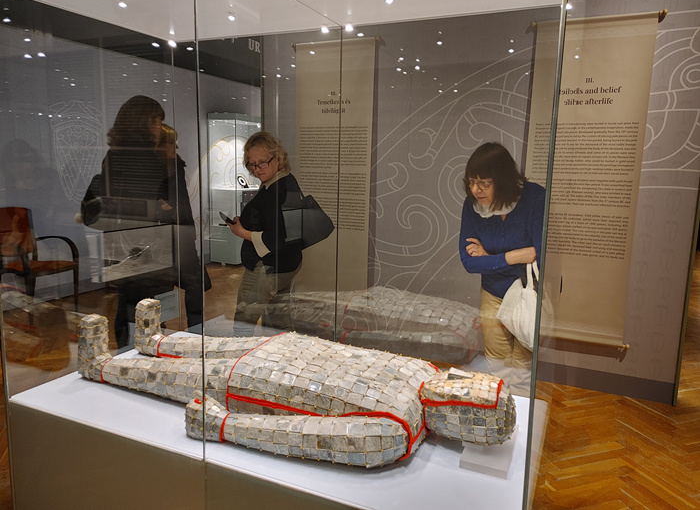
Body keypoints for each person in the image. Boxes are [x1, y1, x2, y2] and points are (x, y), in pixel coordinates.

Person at [78, 297, 517, 468]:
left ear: (461, 419)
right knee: (204, 345)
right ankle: (155, 341)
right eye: (473, 383)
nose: (458, 385)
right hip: (283, 352)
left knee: (173, 376)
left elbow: (304, 433)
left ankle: (100, 366)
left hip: (254, 381)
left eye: (468, 398)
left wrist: (224, 425)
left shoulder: (395, 430)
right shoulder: (427, 373)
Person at [81, 95, 172, 349]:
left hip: (123, 244)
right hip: (144, 245)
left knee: (128, 304)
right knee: (149, 309)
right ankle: (143, 354)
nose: (159, 128)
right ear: (143, 123)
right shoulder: (145, 158)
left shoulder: (115, 154)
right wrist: (162, 206)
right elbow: (142, 205)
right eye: (156, 122)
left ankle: (126, 353)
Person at [458, 142, 545, 396]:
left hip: (527, 294)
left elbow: (541, 257)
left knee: (522, 368)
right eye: (471, 182)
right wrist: (515, 256)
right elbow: (469, 262)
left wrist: (489, 257)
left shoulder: (534, 198)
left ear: (503, 180)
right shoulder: (472, 205)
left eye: (484, 183)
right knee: (497, 367)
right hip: (493, 293)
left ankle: (519, 416)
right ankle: (501, 415)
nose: (475, 190)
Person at [225, 131, 303, 336]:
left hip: (268, 266)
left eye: (262, 163)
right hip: (286, 263)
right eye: (252, 164)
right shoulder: (285, 181)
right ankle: (285, 354)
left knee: (244, 321)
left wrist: (241, 231)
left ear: (277, 158)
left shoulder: (277, 190)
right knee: (279, 320)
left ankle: (241, 356)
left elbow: (275, 237)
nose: (257, 169)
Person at [156, 124, 212, 331]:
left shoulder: (176, 165)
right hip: (163, 234)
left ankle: (196, 329)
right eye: (171, 143)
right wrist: (161, 207)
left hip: (182, 232)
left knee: (194, 282)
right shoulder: (156, 169)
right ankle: (160, 330)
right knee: (163, 284)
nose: (176, 147)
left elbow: (181, 201)